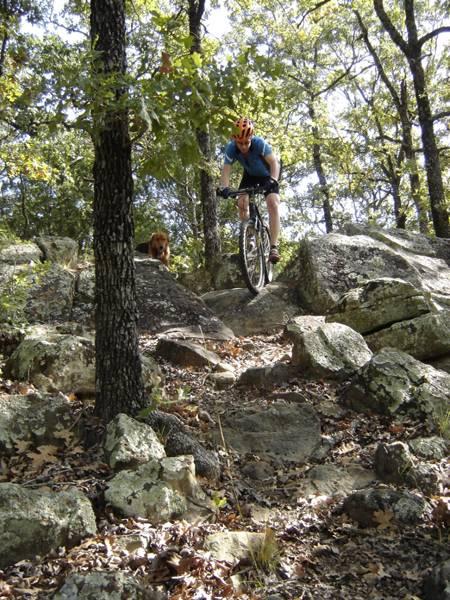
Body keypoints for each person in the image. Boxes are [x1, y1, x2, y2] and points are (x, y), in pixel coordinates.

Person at [219, 116, 281, 263]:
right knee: (241, 202)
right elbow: (226, 170)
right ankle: (251, 235)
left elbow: (274, 162)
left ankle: (273, 246)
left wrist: (273, 180)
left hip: (268, 174)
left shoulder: (259, 144)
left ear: (251, 138)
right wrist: (224, 188)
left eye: (247, 142)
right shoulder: (231, 148)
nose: (244, 146)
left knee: (273, 203)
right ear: (235, 140)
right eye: (240, 143)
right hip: (251, 175)